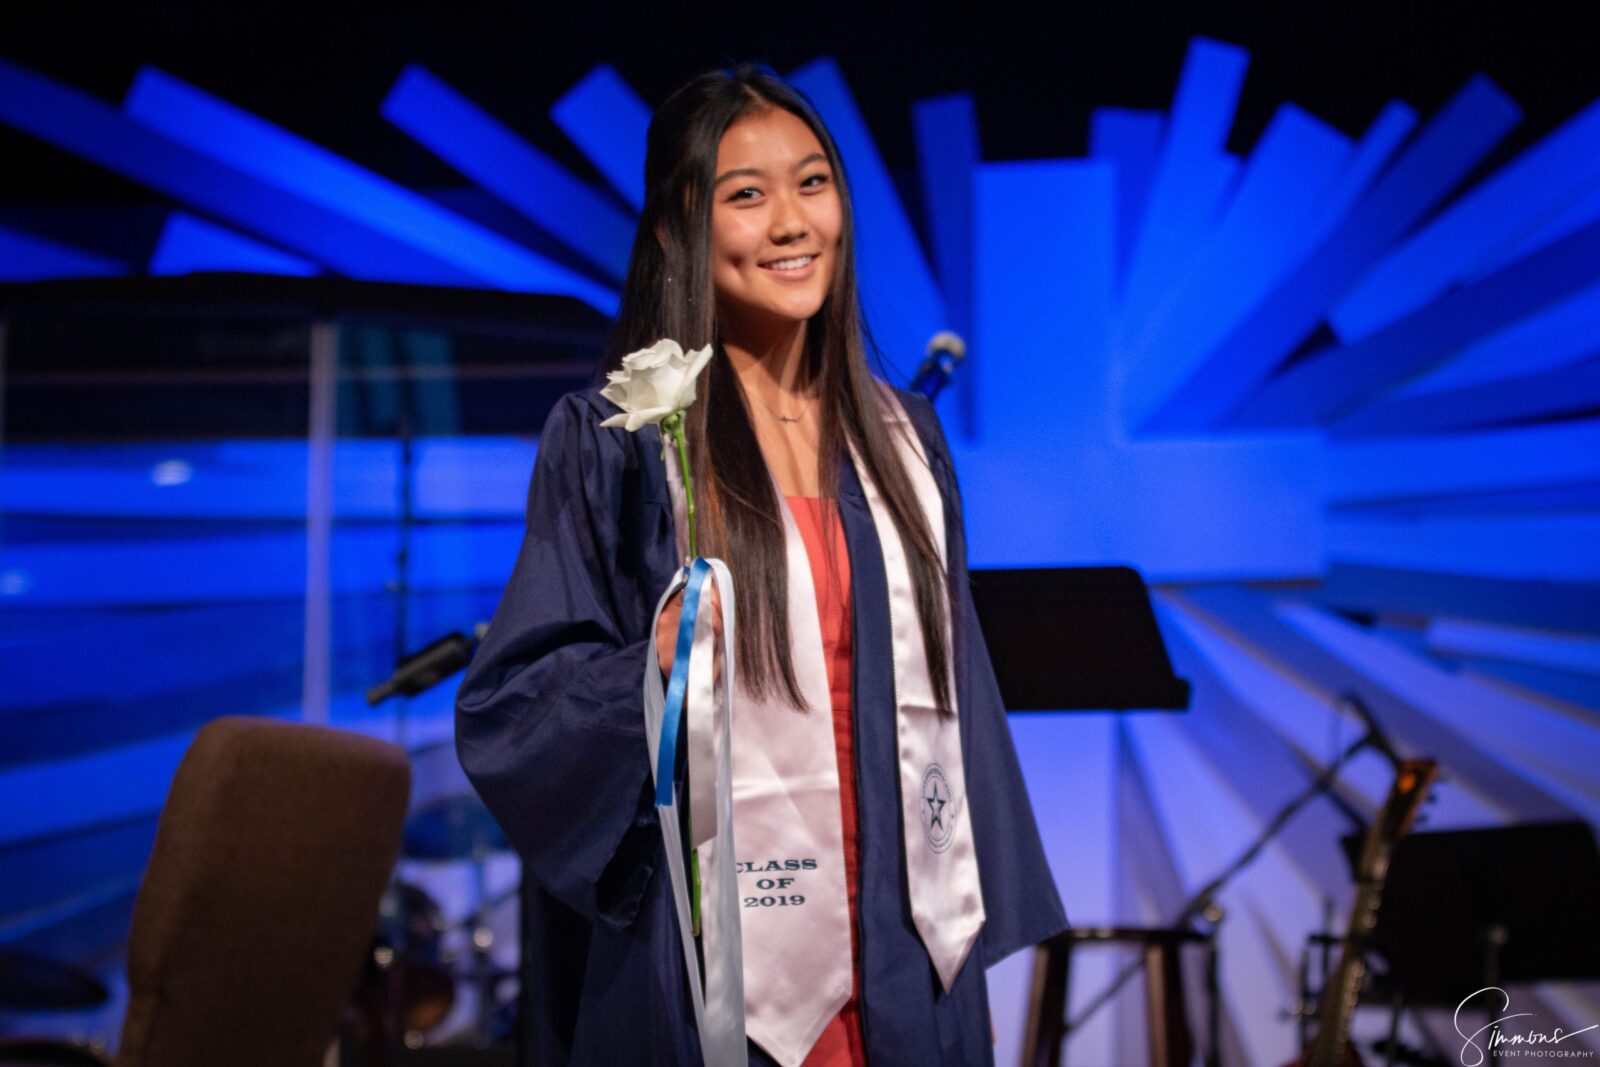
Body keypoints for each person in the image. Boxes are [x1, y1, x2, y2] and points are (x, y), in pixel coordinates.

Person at [455, 63, 1066, 1066]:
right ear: (671, 233)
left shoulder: (905, 440)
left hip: (912, 955)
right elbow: (513, 702)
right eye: (747, 195)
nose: (792, 222)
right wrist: (642, 671)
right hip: (723, 967)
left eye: (813, 184)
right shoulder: (621, 442)